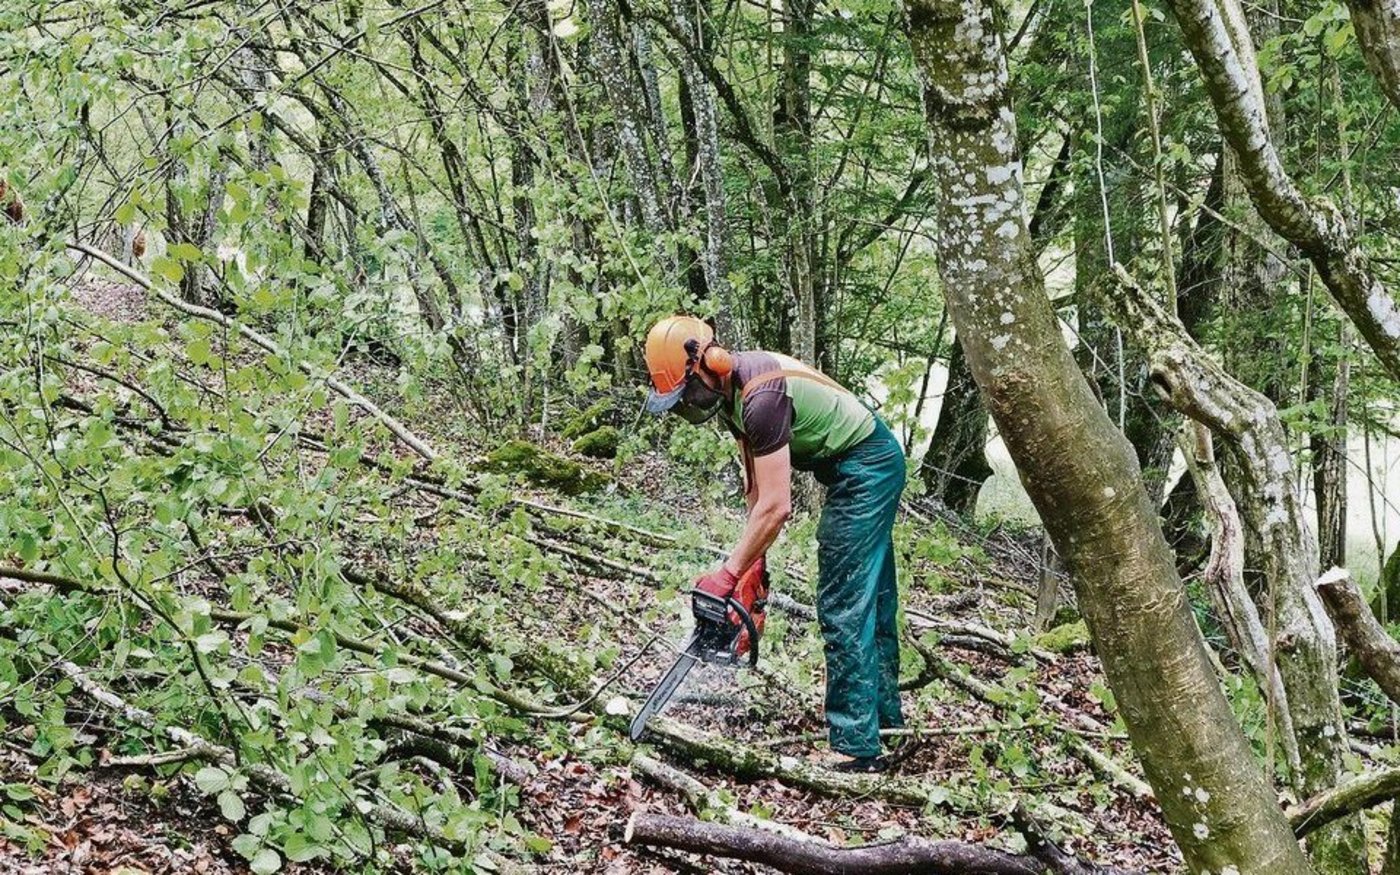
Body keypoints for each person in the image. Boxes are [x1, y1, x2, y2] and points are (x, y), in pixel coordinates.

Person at [642, 315, 907, 772]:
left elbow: (778, 505)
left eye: (687, 393)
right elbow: (757, 492)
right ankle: (886, 723)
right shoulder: (734, 399)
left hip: (869, 466)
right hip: (853, 466)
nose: (688, 405)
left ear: (710, 362)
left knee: (844, 601)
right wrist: (750, 570)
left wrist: (726, 575)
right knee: (872, 598)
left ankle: (858, 747)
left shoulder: (761, 396)